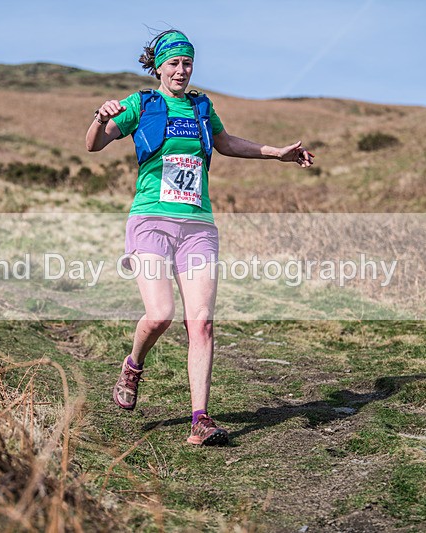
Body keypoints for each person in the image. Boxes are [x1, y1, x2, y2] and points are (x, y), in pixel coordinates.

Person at [85, 29, 313, 446]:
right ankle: (133, 364)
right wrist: (100, 119)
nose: (181, 70)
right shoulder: (141, 104)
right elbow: (94, 145)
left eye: (187, 63)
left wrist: (275, 152)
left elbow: (225, 143)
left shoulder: (203, 106)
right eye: (173, 63)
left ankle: (200, 419)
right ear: (158, 66)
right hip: (151, 222)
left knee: (202, 323)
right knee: (160, 315)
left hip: (198, 227)